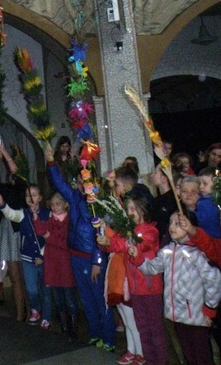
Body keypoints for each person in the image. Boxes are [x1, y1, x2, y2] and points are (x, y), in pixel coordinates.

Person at [45, 147, 116, 352]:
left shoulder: (97, 203)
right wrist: (51, 162)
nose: (82, 183)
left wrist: (96, 261)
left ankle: (109, 338)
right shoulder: (75, 197)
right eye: (79, 179)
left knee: (99, 299)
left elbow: (100, 232)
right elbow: (58, 182)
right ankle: (95, 334)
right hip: (75, 255)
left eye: (86, 180)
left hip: (92, 257)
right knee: (86, 298)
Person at [129, 211, 221, 365]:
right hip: (177, 314)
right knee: (188, 353)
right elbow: (152, 268)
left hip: (197, 316)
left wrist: (210, 308)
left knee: (202, 356)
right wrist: (138, 257)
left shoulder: (197, 253)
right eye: (171, 223)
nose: (172, 227)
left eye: (178, 223)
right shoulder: (168, 251)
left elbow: (214, 280)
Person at [97, 194, 167, 365]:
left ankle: (161, 361)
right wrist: (105, 241)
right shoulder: (129, 231)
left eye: (132, 209)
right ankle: (149, 359)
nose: (128, 213)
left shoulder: (150, 231)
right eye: (127, 209)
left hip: (150, 288)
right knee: (143, 328)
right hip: (135, 289)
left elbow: (139, 244)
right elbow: (117, 243)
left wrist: (122, 242)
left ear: (142, 210)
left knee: (155, 329)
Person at [0, 184, 52, 329]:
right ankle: (35, 309)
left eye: (34, 195)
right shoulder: (23, 213)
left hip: (44, 258)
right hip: (27, 258)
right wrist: (2, 204)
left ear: (40, 197)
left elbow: (49, 239)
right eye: (28, 195)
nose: (31, 198)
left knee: (45, 289)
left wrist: (41, 255)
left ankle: (46, 317)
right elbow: (11, 214)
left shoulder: (48, 214)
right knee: (31, 289)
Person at [33, 192, 79, 339]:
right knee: (58, 299)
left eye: (58, 204)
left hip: (65, 265)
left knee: (70, 298)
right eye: (52, 204)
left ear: (65, 204)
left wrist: (49, 237)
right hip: (52, 264)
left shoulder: (69, 221)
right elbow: (40, 230)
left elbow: (65, 242)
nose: (54, 207)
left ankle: (73, 328)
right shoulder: (51, 219)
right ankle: (65, 327)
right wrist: (35, 215)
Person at [0, 142, 28, 322]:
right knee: (14, 277)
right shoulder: (5, 188)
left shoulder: (23, 187)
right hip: (8, 230)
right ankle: (20, 313)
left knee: (25, 276)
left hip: (21, 228)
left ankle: (31, 311)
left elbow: (18, 172)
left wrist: (5, 153)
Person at [179, 174, 221, 239]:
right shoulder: (177, 214)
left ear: (201, 194)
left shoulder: (210, 210)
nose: (188, 194)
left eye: (193, 191)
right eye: (184, 191)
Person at [150, 163, 179, 247]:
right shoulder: (157, 200)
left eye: (155, 173)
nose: (152, 175)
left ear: (163, 178)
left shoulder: (173, 200)